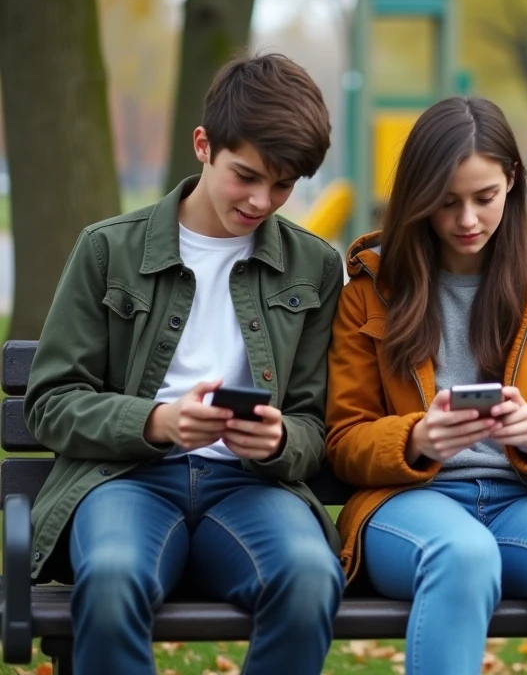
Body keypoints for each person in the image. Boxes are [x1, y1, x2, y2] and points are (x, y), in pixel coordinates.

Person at [25, 53, 346, 674]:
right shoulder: (107, 248)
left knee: (308, 578)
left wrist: (279, 440)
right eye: (245, 176)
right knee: (114, 578)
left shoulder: (313, 267)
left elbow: (315, 423)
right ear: (204, 145)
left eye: (282, 186)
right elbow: (50, 401)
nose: (261, 200)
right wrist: (157, 423)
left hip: (251, 488)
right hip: (126, 481)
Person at [324, 95, 527, 675]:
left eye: (484, 198)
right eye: (446, 202)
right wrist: (417, 440)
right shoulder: (371, 289)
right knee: (461, 555)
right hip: (409, 504)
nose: (467, 220)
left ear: (512, 181)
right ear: (417, 198)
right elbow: (343, 439)